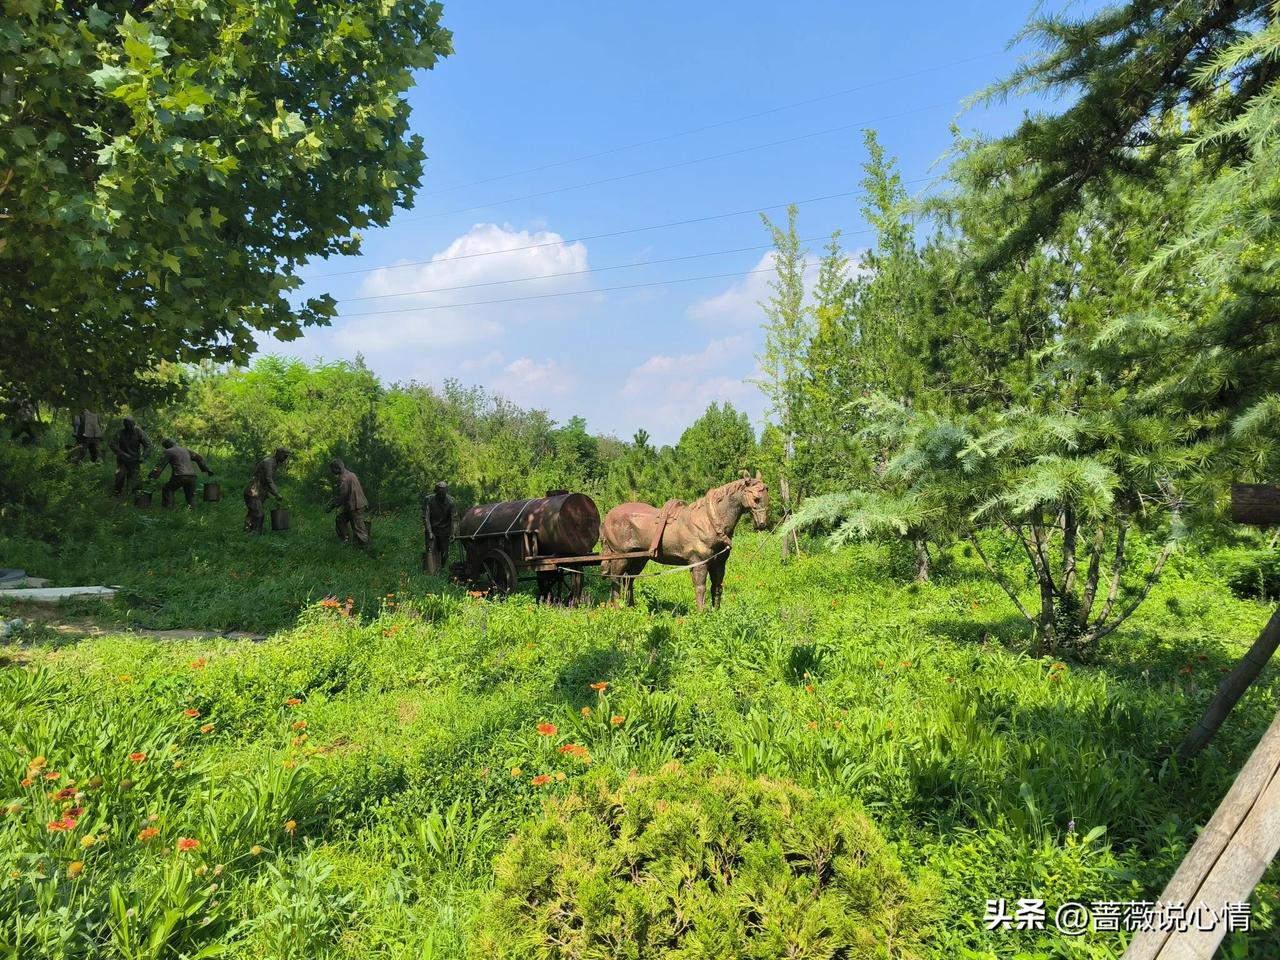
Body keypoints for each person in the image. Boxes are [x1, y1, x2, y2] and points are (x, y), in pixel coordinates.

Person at [148, 438, 212, 507]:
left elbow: (160, 465)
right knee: (190, 497)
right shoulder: (185, 450)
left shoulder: (168, 451)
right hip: (192, 477)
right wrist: (207, 469)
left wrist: (152, 476)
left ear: (167, 446)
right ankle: (193, 511)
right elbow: (199, 458)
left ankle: (168, 510)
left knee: (167, 489)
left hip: (179, 476)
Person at [244, 447, 290, 534]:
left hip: (258, 492)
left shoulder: (274, 463)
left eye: (287, 456)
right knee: (259, 514)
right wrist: (277, 493)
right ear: (278, 454)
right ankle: (256, 534)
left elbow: (265, 482)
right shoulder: (268, 462)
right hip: (252, 492)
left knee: (252, 513)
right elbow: (268, 480)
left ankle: (247, 531)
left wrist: (272, 494)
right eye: (284, 456)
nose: (285, 458)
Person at [326, 458, 369, 547]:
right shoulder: (351, 474)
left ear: (337, 468)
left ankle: (364, 546)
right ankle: (345, 539)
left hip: (356, 505)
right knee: (340, 519)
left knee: (358, 527)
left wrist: (332, 505)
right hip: (352, 505)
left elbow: (342, 495)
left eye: (332, 469)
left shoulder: (344, 478)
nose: (332, 471)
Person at [109, 417, 152, 496]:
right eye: (126, 425)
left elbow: (148, 445)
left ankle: (136, 495)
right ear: (124, 425)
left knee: (135, 478)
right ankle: (117, 493)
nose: (128, 427)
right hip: (122, 459)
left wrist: (143, 456)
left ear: (134, 424)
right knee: (120, 475)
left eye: (130, 425)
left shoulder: (139, 432)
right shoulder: (120, 432)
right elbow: (112, 444)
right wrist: (122, 453)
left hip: (135, 460)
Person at [421, 481, 455, 573]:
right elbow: (426, 517)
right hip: (432, 529)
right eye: (439, 493)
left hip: (445, 531)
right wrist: (430, 532)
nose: (441, 495)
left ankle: (442, 570)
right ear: (435, 491)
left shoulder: (451, 501)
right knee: (430, 551)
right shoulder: (428, 500)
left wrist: (452, 533)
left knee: (444, 553)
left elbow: (453, 519)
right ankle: (430, 572)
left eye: (443, 493)